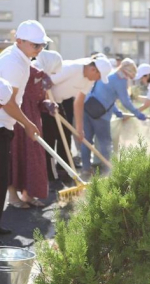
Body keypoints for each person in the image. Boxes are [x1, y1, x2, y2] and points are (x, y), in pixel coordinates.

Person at [0, 19, 46, 238]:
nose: (39, 49)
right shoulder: (12, 63)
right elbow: (6, 102)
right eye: (35, 45)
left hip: (6, 123)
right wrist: (28, 124)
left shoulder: (20, 57)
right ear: (19, 41)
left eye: (43, 45)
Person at [45, 54, 112, 187]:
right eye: (99, 76)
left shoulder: (89, 79)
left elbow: (79, 102)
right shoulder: (72, 68)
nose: (98, 79)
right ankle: (50, 178)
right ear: (94, 70)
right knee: (50, 139)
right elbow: (46, 83)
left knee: (65, 136)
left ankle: (66, 173)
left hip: (58, 103)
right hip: (45, 103)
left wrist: (79, 129)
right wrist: (48, 103)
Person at [8, 50, 62, 208]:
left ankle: (28, 194)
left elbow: (40, 101)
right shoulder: (27, 70)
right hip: (18, 119)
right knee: (15, 156)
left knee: (33, 158)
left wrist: (49, 105)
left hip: (34, 122)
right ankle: (13, 197)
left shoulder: (43, 78)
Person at [81, 58, 146, 177]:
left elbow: (106, 96)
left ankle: (85, 169)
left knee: (86, 141)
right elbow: (125, 101)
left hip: (87, 108)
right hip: (100, 115)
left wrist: (116, 111)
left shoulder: (108, 74)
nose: (129, 79)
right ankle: (107, 170)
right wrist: (137, 113)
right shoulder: (120, 80)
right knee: (105, 142)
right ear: (128, 72)